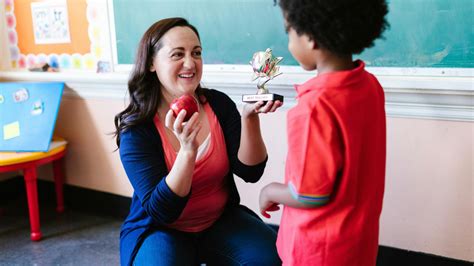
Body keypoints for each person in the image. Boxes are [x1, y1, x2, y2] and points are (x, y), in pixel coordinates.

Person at [114, 17, 282, 266]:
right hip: (160, 228)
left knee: (269, 260)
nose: (190, 63)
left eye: (197, 52)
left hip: (219, 220)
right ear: (151, 63)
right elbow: (162, 210)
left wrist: (250, 119)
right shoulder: (137, 130)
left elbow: (251, 171)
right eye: (177, 54)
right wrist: (187, 152)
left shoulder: (219, 105)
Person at [259, 0, 389, 265]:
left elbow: (309, 194)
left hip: (318, 252)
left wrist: (270, 191)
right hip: (358, 245)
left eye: (289, 31)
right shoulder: (369, 86)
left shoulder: (314, 107)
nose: (289, 42)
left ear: (310, 38)